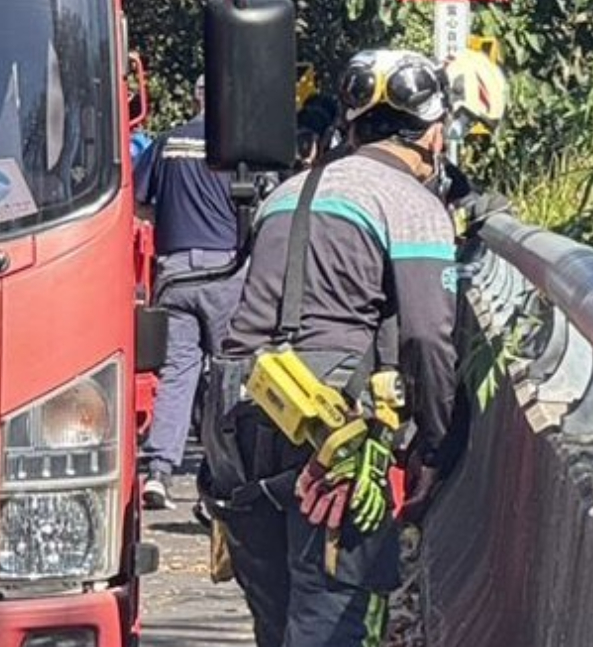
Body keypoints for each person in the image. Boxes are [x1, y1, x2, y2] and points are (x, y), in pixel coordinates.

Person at [197, 47, 506, 647]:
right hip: (328, 428)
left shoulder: (287, 192)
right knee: (329, 616)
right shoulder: (412, 204)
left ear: (352, 126)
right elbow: (427, 338)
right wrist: (434, 448)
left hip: (236, 423)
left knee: (275, 621)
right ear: (435, 134)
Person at [135, 74, 244, 509]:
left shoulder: (167, 143)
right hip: (225, 271)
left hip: (175, 272)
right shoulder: (238, 148)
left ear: (196, 98)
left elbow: (140, 203)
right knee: (227, 373)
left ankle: (159, 471)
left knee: (178, 372)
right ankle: (225, 477)